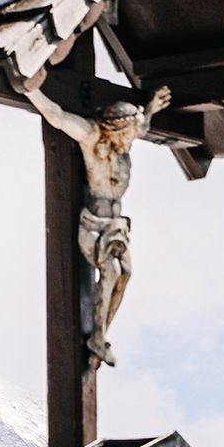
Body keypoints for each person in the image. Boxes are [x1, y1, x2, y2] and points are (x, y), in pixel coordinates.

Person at [24, 83, 172, 365]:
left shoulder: (126, 138)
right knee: (111, 270)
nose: (131, 141)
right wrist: (31, 91)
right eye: (127, 135)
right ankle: (98, 337)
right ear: (114, 129)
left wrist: (151, 107)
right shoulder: (93, 138)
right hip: (93, 225)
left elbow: (142, 126)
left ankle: (99, 337)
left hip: (117, 226)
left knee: (125, 274)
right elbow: (58, 117)